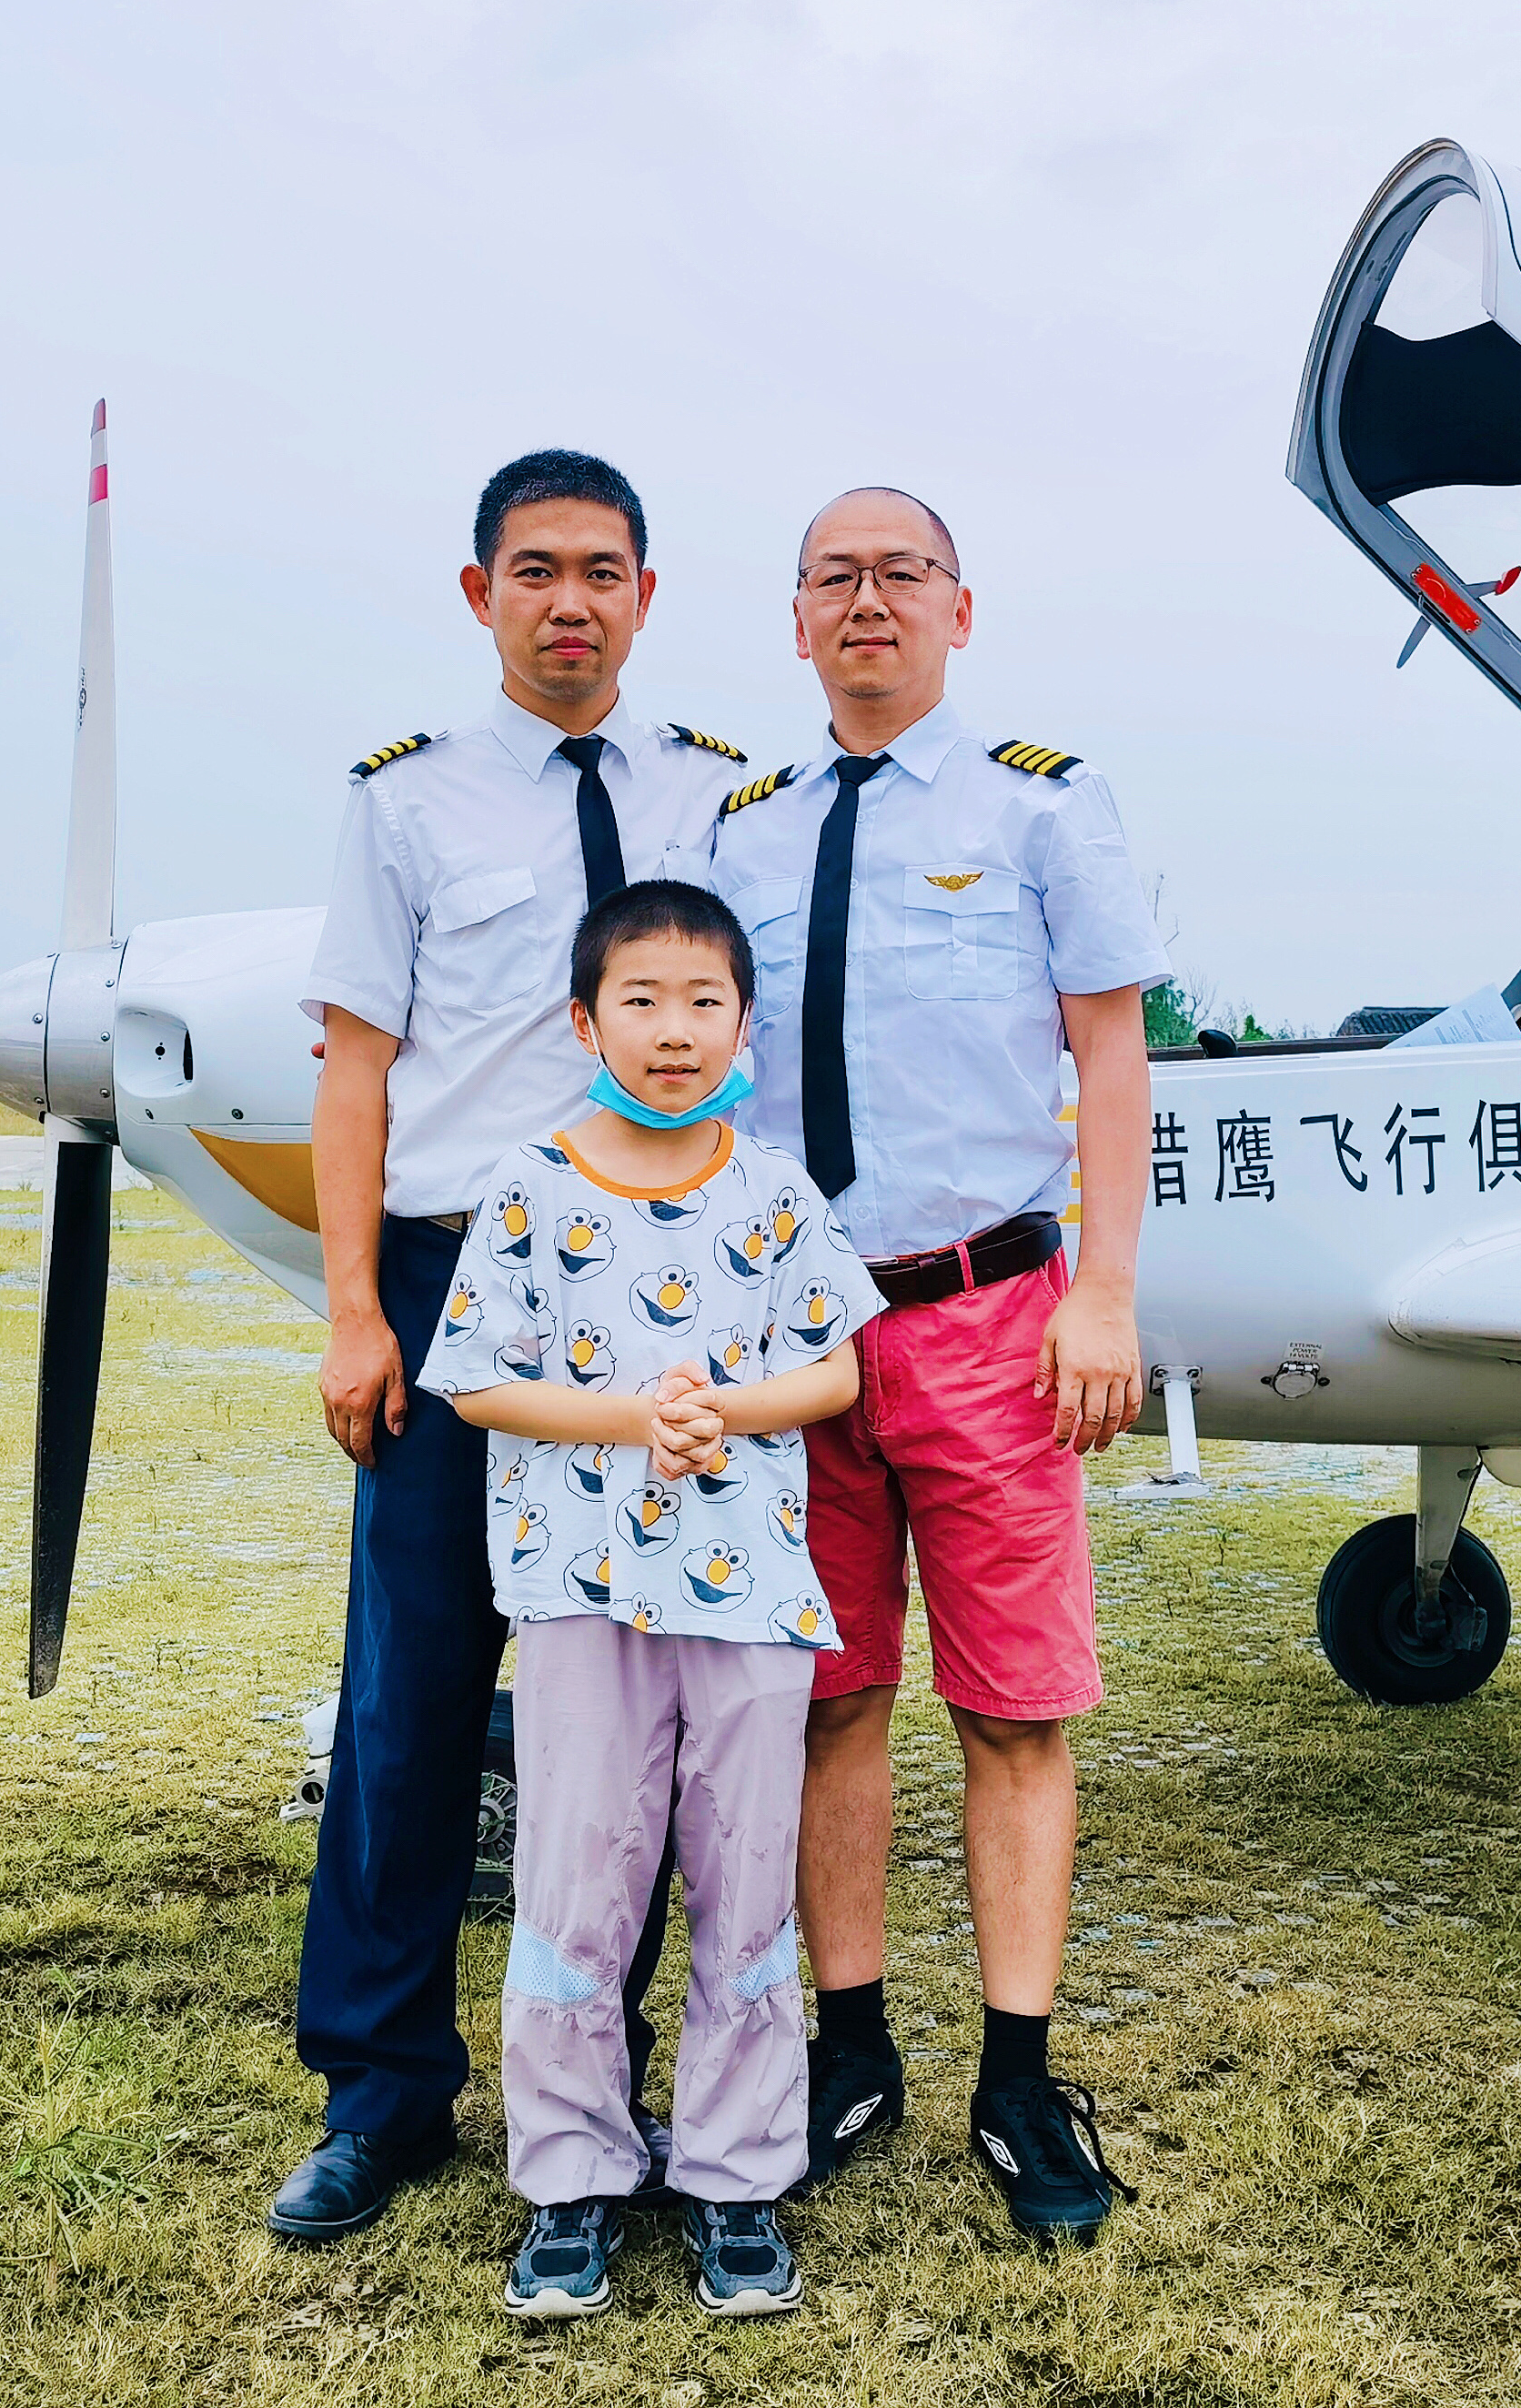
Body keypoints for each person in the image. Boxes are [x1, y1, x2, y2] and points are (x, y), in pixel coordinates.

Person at [272, 450, 750, 2243]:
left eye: (602, 571)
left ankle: (607, 2092)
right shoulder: (404, 803)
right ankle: (380, 2091)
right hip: (453, 1284)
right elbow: (356, 1072)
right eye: (536, 570)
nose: (571, 602)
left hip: (658, 1300)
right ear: (480, 594)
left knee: (634, 1718)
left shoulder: (716, 793)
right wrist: (351, 1314)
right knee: (407, 1703)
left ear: (647, 595)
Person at [706, 486, 1165, 2246]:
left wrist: (1102, 1294)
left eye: (903, 574)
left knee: (1014, 1709)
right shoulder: (744, 829)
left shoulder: (1041, 805)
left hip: (990, 1316)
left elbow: (1111, 1058)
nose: (869, 602)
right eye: (835, 577)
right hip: (795, 1329)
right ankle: (849, 2049)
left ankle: (1019, 2080)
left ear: (960, 611)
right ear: (796, 619)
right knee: (825, 1699)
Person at [420, 879, 877, 2320]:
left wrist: (721, 1411)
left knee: (745, 1880)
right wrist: (636, 1421)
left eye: (703, 1002)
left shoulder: (775, 1189)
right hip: (579, 1593)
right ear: (586, 1022)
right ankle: (571, 2179)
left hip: (748, 1599)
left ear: (744, 1023)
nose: (674, 1030)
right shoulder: (530, 1185)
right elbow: (476, 1379)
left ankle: (737, 2179)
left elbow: (835, 1369)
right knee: (577, 1879)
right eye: (642, 1000)